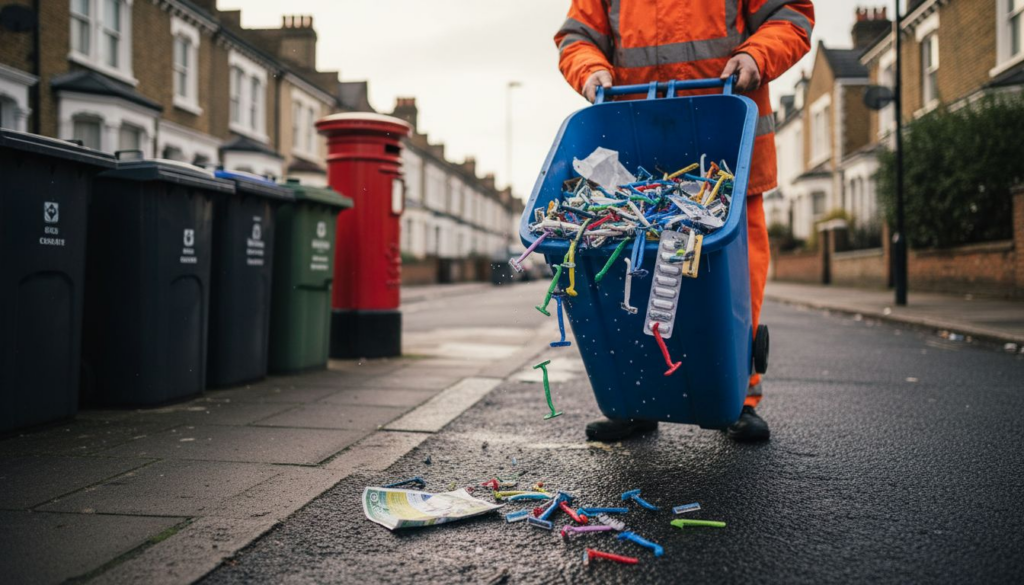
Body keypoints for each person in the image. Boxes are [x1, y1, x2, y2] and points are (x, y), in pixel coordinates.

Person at [555, 0, 814, 442]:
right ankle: (635, 398)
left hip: (726, 149)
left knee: (732, 280)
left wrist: (755, 55)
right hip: (635, 155)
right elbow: (577, 37)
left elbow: (790, 16)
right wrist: (588, 69)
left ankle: (737, 398)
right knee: (629, 276)